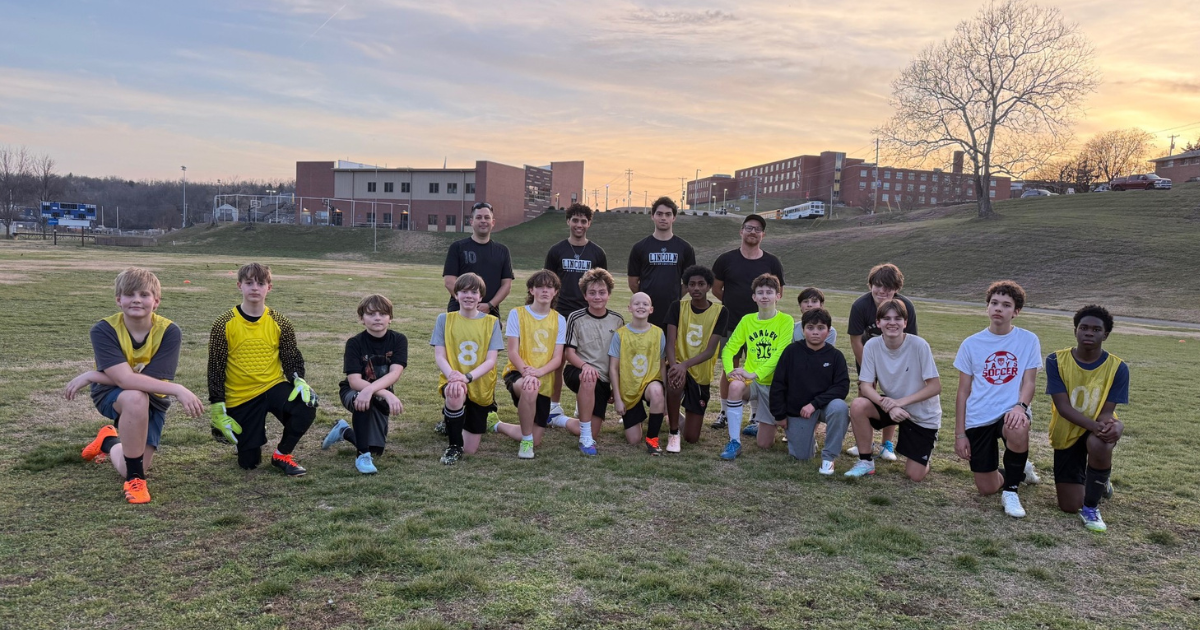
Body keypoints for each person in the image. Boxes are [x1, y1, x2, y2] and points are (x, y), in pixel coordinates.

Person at [67, 267, 204, 504]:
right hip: (111, 394)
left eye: (144, 295)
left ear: (156, 301)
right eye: (130, 294)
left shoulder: (169, 331)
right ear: (119, 300)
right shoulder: (103, 329)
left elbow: (150, 382)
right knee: (134, 397)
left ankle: (108, 440)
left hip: (154, 396)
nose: (137, 300)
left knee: (133, 457)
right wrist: (178, 389)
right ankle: (135, 480)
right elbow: (125, 382)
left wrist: (93, 374)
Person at [208, 263, 318, 477]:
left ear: (270, 287)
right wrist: (217, 404)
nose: (255, 288)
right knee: (248, 463)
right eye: (249, 283)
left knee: (306, 404)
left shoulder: (281, 322)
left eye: (261, 283)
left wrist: (298, 379)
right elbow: (216, 368)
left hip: (272, 386)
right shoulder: (223, 324)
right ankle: (253, 434)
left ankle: (282, 455)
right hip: (241, 395)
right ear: (239, 285)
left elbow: (290, 357)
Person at [953, 280, 1042, 518]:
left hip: (1010, 409)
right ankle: (1019, 468)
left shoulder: (1028, 340)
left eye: (1006, 304)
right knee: (987, 488)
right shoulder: (971, 344)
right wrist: (960, 434)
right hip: (979, 416)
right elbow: (963, 392)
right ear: (987, 307)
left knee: (1017, 425)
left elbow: (1029, 382)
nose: (998, 309)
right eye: (994, 303)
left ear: (1016, 312)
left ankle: (1011, 491)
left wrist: (1020, 407)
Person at [1046, 305, 1128, 532]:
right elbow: (1063, 407)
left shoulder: (1118, 367)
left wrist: (1111, 427)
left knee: (1100, 443)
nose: (1089, 333)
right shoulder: (1056, 360)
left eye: (1095, 329)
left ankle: (1092, 507)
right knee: (1070, 506)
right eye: (1083, 327)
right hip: (1067, 432)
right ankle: (1099, 482)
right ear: (1075, 331)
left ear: (1105, 335)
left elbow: (1106, 411)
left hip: (1097, 427)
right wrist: (1100, 426)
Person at [843, 300, 943, 481]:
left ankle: (924, 456)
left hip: (922, 415)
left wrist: (899, 403)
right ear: (878, 322)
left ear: (905, 322)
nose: (892, 323)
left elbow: (935, 387)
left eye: (898, 318)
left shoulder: (919, 345)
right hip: (892, 406)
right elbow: (865, 385)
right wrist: (889, 405)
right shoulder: (872, 345)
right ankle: (866, 462)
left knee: (914, 475)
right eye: (886, 318)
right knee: (858, 405)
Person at [491, 271, 580, 458]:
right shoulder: (518, 314)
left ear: (556, 291)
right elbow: (513, 351)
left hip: (543, 376)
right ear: (532, 290)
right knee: (529, 388)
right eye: (540, 286)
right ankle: (525, 443)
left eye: (549, 287)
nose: (545, 291)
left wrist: (538, 372)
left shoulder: (559, 319)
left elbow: (557, 359)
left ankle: (497, 424)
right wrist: (527, 372)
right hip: (518, 373)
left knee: (536, 437)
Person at [711, 214, 784, 431]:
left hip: (762, 327)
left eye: (758, 229)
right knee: (729, 369)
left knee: (759, 366)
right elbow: (717, 288)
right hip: (732, 323)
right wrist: (732, 304)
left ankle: (754, 415)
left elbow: (779, 291)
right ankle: (724, 411)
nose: (753, 232)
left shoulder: (771, 262)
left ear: (763, 235)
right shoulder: (726, 259)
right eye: (749, 228)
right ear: (741, 231)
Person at [322, 294, 407, 474]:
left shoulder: (399, 340)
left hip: (378, 394)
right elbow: (354, 381)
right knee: (363, 400)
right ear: (362, 318)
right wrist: (379, 392)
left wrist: (379, 392)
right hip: (354, 391)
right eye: (371, 314)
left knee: (377, 450)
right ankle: (362, 456)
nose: (377, 318)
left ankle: (344, 431)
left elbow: (395, 373)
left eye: (383, 314)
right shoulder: (354, 343)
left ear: (390, 318)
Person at [846, 263, 918, 461]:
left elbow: (910, 341)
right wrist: (869, 371)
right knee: (864, 396)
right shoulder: (860, 306)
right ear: (870, 285)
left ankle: (887, 444)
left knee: (891, 397)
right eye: (878, 285)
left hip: (896, 363)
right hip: (867, 358)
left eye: (888, 287)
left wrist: (896, 370)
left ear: (896, 289)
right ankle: (864, 442)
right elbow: (855, 340)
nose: (882, 291)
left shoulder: (906, 307)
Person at [718, 273, 794, 460]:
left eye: (769, 292)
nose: (765, 296)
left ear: (778, 296)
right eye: (760, 292)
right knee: (735, 385)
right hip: (751, 381)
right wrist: (730, 373)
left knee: (764, 444)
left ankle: (764, 424)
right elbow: (729, 350)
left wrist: (754, 373)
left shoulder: (786, 321)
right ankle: (734, 441)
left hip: (774, 385)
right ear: (754, 297)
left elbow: (779, 354)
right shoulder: (747, 320)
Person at [431, 273, 504, 465]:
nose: (469, 296)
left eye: (474, 292)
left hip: (479, 383)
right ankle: (453, 445)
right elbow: (440, 355)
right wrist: (453, 377)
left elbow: (491, 361)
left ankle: (452, 422)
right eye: (463, 291)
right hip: (454, 379)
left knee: (470, 449)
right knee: (455, 392)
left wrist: (467, 377)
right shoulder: (444, 319)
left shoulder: (492, 322)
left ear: (481, 297)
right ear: (456, 295)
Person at [544, 203, 608, 419]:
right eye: (575, 220)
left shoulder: (597, 252)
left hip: (586, 313)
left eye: (583, 221)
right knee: (557, 360)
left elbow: (603, 285)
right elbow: (548, 282)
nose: (579, 224)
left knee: (586, 358)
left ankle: (583, 403)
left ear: (589, 223)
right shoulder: (556, 250)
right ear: (568, 222)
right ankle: (554, 405)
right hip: (561, 311)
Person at [770, 308, 850, 474]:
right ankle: (807, 439)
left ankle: (829, 458)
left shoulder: (835, 356)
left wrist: (814, 404)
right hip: (798, 410)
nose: (815, 332)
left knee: (840, 407)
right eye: (811, 327)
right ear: (802, 329)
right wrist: (780, 415)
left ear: (828, 331)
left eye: (821, 328)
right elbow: (778, 384)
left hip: (824, 406)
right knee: (801, 456)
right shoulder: (791, 352)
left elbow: (841, 387)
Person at [665, 265, 728, 450]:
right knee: (674, 382)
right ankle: (673, 432)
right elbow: (670, 342)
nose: (696, 288)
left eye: (701, 284)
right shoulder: (677, 306)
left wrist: (684, 365)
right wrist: (676, 366)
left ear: (709, 286)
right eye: (691, 284)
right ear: (687, 287)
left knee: (692, 438)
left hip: (700, 373)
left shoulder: (720, 312)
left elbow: (709, 351)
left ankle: (672, 414)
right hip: (677, 366)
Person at [563, 268, 625, 456]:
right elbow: (569, 353)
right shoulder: (576, 317)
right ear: (585, 295)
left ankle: (558, 419)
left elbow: (619, 359)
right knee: (588, 378)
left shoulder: (617, 320)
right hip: (578, 370)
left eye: (601, 292)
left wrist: (616, 387)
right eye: (592, 293)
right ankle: (586, 440)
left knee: (593, 428)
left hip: (604, 380)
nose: (597, 297)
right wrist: (585, 366)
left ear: (608, 294)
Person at [609, 292, 668, 454]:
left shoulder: (658, 333)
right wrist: (618, 400)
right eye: (636, 303)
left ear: (651, 309)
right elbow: (613, 368)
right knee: (633, 440)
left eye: (645, 304)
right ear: (629, 308)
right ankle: (638, 417)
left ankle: (652, 439)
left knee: (656, 391)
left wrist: (665, 399)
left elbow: (662, 366)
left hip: (650, 382)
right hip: (629, 388)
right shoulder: (620, 334)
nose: (640, 306)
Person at [627, 196, 696, 330]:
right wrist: (646, 300)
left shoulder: (685, 248)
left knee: (670, 348)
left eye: (668, 214)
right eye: (659, 214)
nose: (663, 218)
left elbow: (689, 282)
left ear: (674, 218)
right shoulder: (640, 247)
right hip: (646, 310)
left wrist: (674, 296)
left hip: (672, 309)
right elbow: (633, 282)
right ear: (652, 216)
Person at [442, 201, 514, 316]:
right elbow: (449, 281)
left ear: (493, 222)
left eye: (487, 217)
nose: (483, 221)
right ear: (471, 221)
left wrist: (490, 304)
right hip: (459, 310)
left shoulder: (502, 251)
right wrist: (468, 304)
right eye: (479, 217)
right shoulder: (458, 247)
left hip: (490, 312)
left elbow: (506, 285)